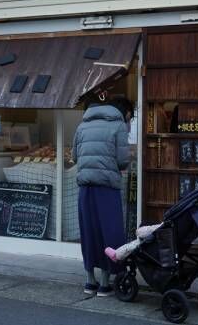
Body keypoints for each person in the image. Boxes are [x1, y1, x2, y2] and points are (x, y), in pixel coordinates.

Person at [72, 97, 133, 297]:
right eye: (130, 116)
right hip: (107, 187)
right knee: (109, 232)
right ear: (123, 112)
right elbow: (122, 160)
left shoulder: (83, 125)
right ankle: (105, 282)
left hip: (86, 188)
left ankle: (90, 281)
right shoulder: (118, 126)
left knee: (89, 232)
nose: (129, 120)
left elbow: (74, 157)